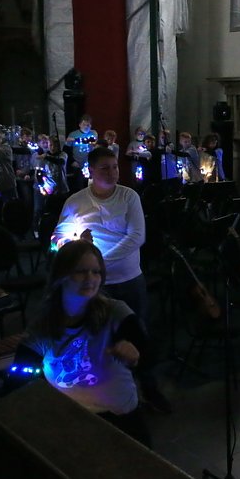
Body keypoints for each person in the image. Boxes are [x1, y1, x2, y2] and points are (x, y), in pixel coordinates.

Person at [51, 146, 170, 412]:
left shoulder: (129, 197)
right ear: (90, 171)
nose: (113, 172)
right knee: (100, 337)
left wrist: (99, 261)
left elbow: (136, 237)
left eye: (115, 166)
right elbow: (58, 237)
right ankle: (109, 394)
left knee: (138, 333)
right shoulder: (76, 202)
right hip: (95, 286)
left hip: (128, 278)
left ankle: (149, 388)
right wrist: (68, 244)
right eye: (105, 168)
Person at [12, 240, 151, 445]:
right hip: (72, 421)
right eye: (81, 271)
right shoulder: (44, 325)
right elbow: (18, 377)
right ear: (61, 277)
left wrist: (135, 355)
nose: (90, 279)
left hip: (121, 420)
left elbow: (148, 353)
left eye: (96, 272)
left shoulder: (115, 312)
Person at [32, 134, 69, 230]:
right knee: (39, 210)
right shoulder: (42, 157)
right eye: (50, 145)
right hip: (46, 189)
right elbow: (39, 172)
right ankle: (37, 229)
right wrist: (42, 186)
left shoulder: (63, 155)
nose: (52, 147)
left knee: (60, 211)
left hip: (61, 189)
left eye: (55, 145)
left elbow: (60, 162)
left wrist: (46, 157)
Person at [65, 115, 97, 191]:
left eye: (88, 125)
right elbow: (67, 149)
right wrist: (72, 161)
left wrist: (75, 140)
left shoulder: (93, 133)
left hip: (90, 164)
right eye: (84, 124)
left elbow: (92, 141)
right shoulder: (73, 134)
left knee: (90, 186)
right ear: (79, 125)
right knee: (79, 186)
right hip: (77, 164)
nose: (86, 127)